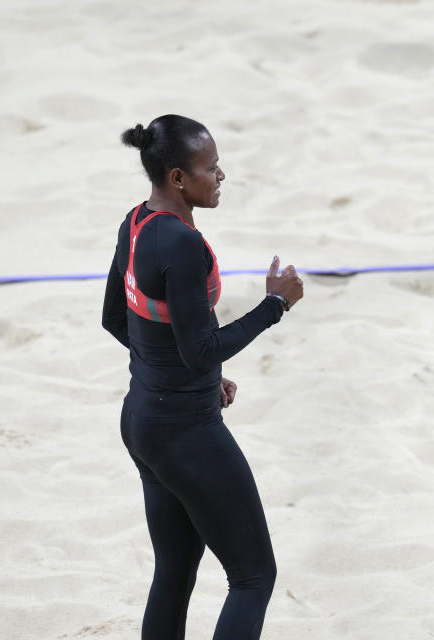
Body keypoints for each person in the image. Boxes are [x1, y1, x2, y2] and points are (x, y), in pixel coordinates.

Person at [101, 114, 305, 639]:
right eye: (209, 168)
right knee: (254, 576)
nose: (220, 176)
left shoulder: (136, 221)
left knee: (175, 568)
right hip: (184, 430)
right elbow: (200, 350)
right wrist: (275, 304)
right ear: (176, 178)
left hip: (143, 420)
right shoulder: (181, 245)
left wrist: (194, 374)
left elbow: (116, 318)